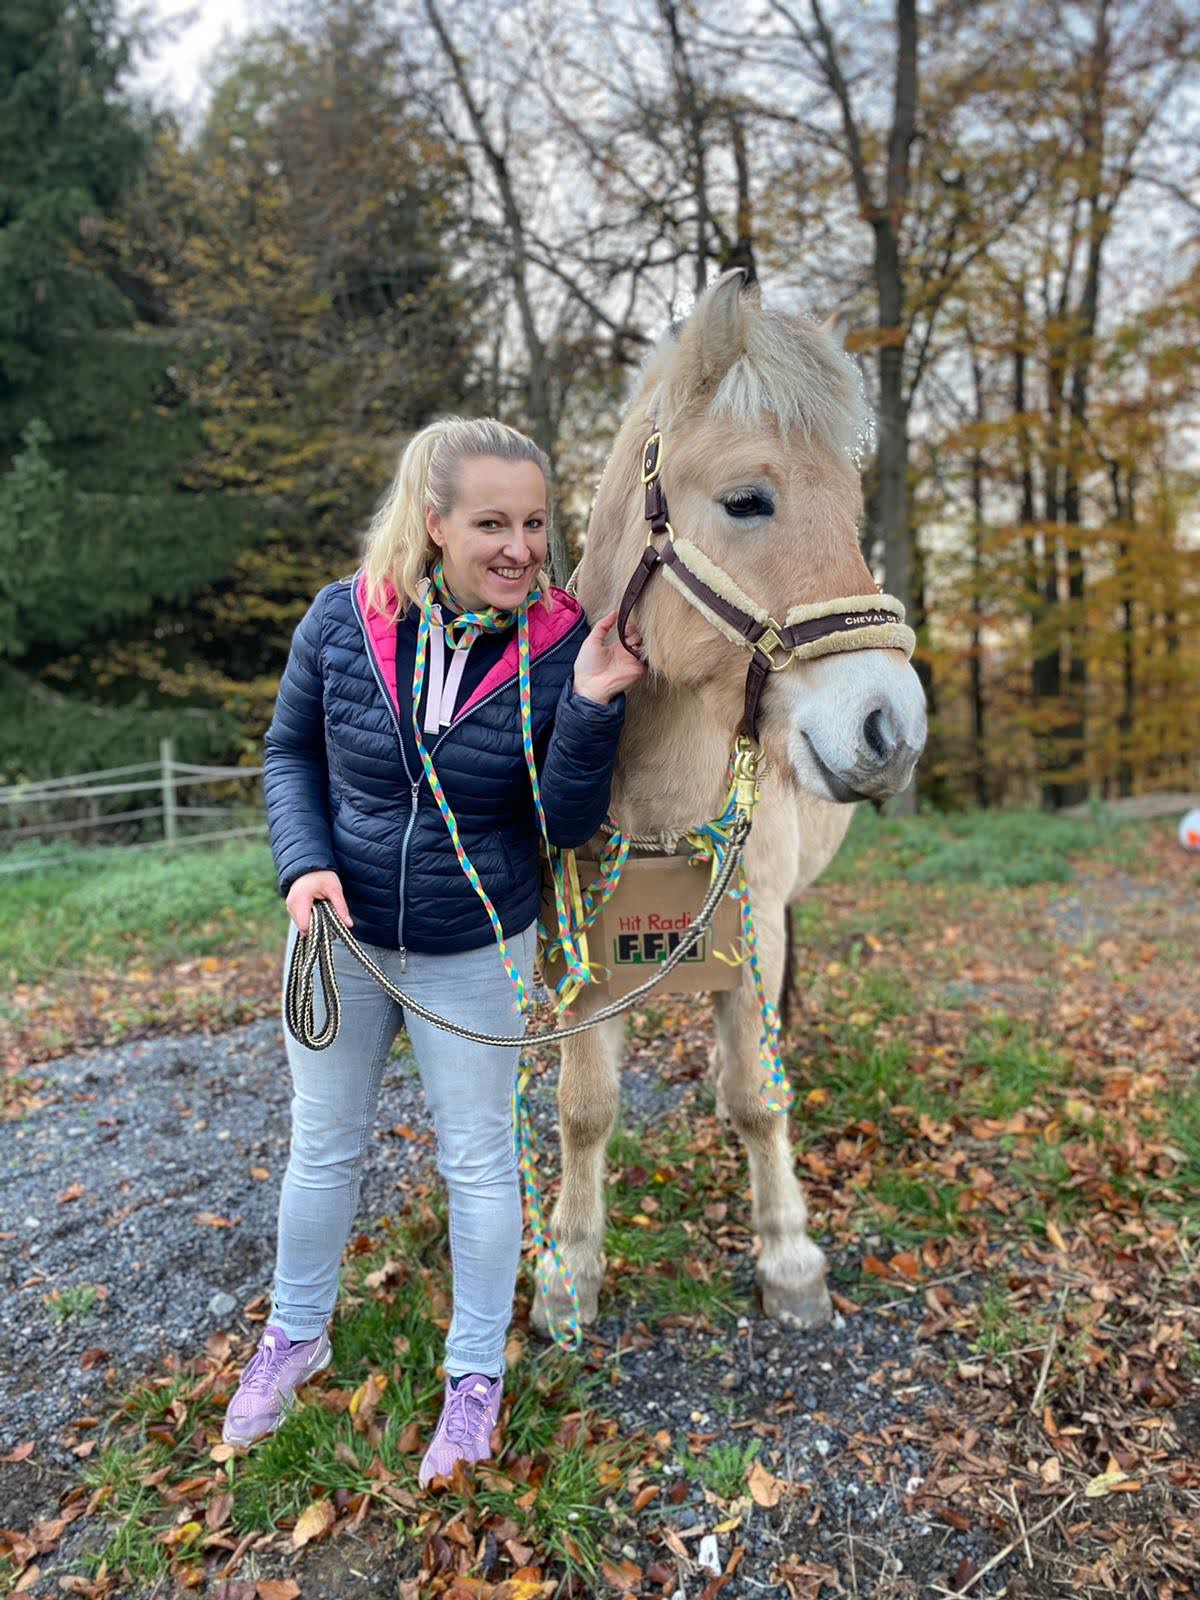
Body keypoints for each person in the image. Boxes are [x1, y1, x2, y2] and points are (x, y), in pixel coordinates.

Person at [222, 417, 644, 1484]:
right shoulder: (341, 621)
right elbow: (288, 751)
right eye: (492, 522)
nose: (520, 547)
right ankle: (297, 1335)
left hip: (475, 945)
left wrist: (591, 708)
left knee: (477, 1164)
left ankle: (473, 1380)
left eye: (536, 523)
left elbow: (562, 823)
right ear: (433, 522)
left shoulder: (562, 643)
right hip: (343, 939)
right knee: (322, 1149)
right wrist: (301, 864)